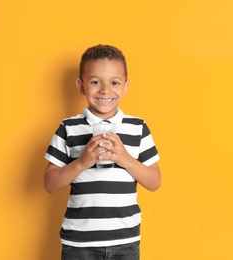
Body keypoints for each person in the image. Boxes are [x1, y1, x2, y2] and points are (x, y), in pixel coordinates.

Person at [44, 44, 161, 260]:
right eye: (95, 81)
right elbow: (50, 184)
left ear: (125, 86)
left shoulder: (138, 127)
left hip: (125, 241)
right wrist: (82, 162)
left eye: (114, 82)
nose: (105, 90)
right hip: (79, 243)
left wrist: (125, 159)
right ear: (81, 86)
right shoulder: (68, 128)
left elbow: (154, 182)